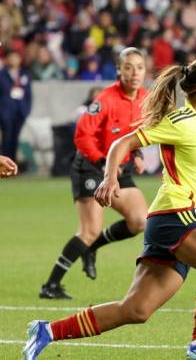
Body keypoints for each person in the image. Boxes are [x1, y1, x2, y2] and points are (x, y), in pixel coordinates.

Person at [23, 59, 196, 360]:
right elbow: (121, 143)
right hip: (176, 212)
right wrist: (111, 178)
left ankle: (46, 331)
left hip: (176, 221)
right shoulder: (181, 122)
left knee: (136, 309)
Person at [39, 48, 149, 300]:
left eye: (140, 67)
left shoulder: (145, 98)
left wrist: (138, 155)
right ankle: (50, 286)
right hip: (91, 165)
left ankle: (92, 248)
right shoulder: (106, 99)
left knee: (140, 220)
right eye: (129, 67)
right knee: (89, 229)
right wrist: (102, 162)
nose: (134, 73)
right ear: (119, 70)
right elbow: (81, 135)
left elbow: (138, 133)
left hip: (118, 167)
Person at [0, 51, 33, 163]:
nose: (13, 60)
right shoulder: (2, 74)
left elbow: (28, 94)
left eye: (16, 57)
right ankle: (5, 165)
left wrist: (26, 110)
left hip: (20, 112)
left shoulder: (25, 74)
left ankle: (12, 164)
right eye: (11, 57)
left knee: (15, 139)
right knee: (7, 138)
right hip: (6, 111)